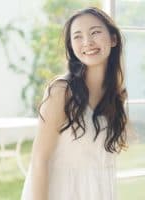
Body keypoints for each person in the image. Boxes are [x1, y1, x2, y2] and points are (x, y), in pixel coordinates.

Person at [20, 6, 137, 200]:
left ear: (113, 39)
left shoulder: (115, 95)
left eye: (95, 32)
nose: (87, 42)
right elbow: (40, 160)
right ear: (72, 47)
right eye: (78, 36)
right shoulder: (61, 91)